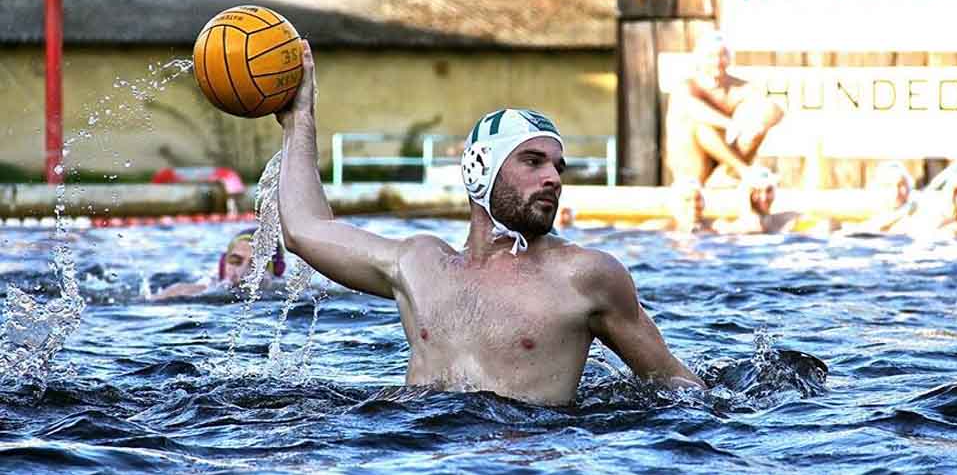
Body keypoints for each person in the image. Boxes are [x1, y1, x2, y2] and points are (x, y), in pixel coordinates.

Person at [276, 41, 704, 406]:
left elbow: (675, 384)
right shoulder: (420, 266)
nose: (553, 178)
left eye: (557, 167)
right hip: (419, 457)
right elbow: (303, 229)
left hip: (530, 457)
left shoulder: (586, 275)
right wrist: (299, 119)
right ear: (480, 169)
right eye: (533, 162)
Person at [665, 32, 784, 186]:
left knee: (757, 126)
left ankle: (727, 175)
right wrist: (731, 124)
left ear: (729, 58)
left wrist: (756, 125)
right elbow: (695, 110)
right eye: (711, 56)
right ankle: (742, 171)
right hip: (693, 165)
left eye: (722, 55)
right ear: (700, 59)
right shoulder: (686, 87)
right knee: (700, 127)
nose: (717, 61)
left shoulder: (740, 88)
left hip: (725, 164)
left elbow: (774, 109)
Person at [149, 228, 285, 300]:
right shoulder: (184, 291)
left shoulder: (284, 294)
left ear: (275, 271)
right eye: (235, 261)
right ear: (222, 264)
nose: (242, 272)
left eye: (255, 265)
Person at [715, 167, 799, 234]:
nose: (764, 197)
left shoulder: (788, 220)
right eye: (757, 191)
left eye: (768, 190)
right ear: (748, 194)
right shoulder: (731, 228)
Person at [843, 162, 917, 234]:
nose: (895, 191)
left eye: (901, 185)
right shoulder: (879, 217)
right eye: (888, 186)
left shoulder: (915, 217)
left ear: (909, 186)